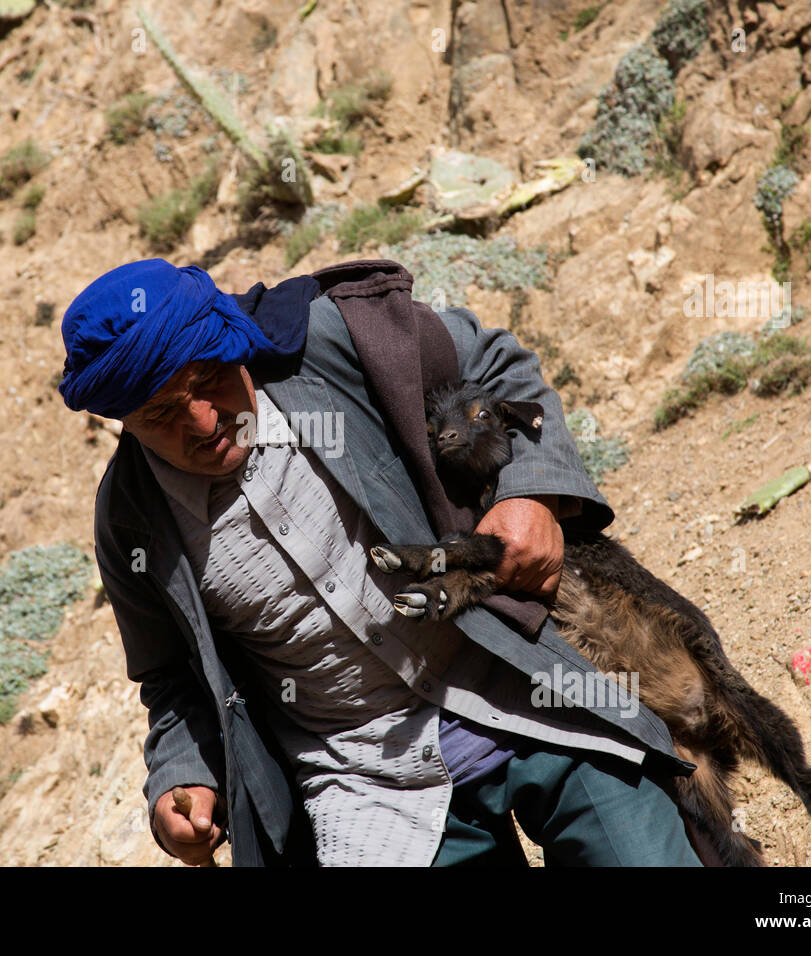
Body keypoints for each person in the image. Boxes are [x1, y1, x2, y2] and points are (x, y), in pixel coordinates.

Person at [59, 257, 703, 866]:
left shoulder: (339, 342)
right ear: (120, 422)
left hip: (520, 680)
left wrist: (528, 492)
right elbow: (172, 680)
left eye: (209, 381)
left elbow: (496, 363)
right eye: (162, 414)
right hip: (366, 783)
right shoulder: (131, 521)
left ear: (231, 341)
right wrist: (184, 778)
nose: (204, 422)